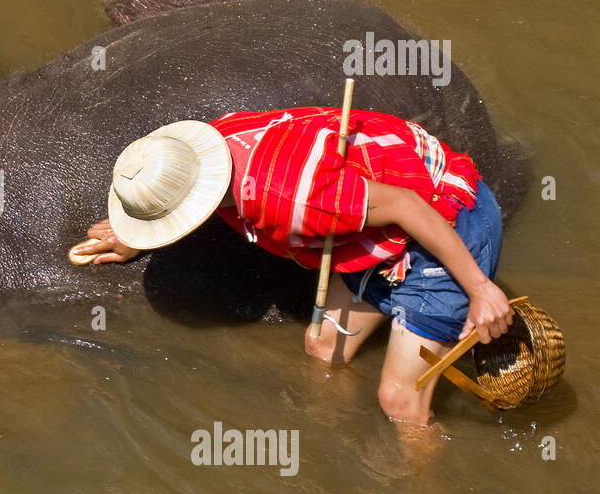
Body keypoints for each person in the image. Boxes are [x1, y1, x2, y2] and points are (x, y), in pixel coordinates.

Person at [68, 108, 514, 424]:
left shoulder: (292, 202)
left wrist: (479, 290)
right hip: (373, 232)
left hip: (446, 219)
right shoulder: (217, 145)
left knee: (399, 403)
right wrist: (134, 233)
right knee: (322, 348)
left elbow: (407, 204)